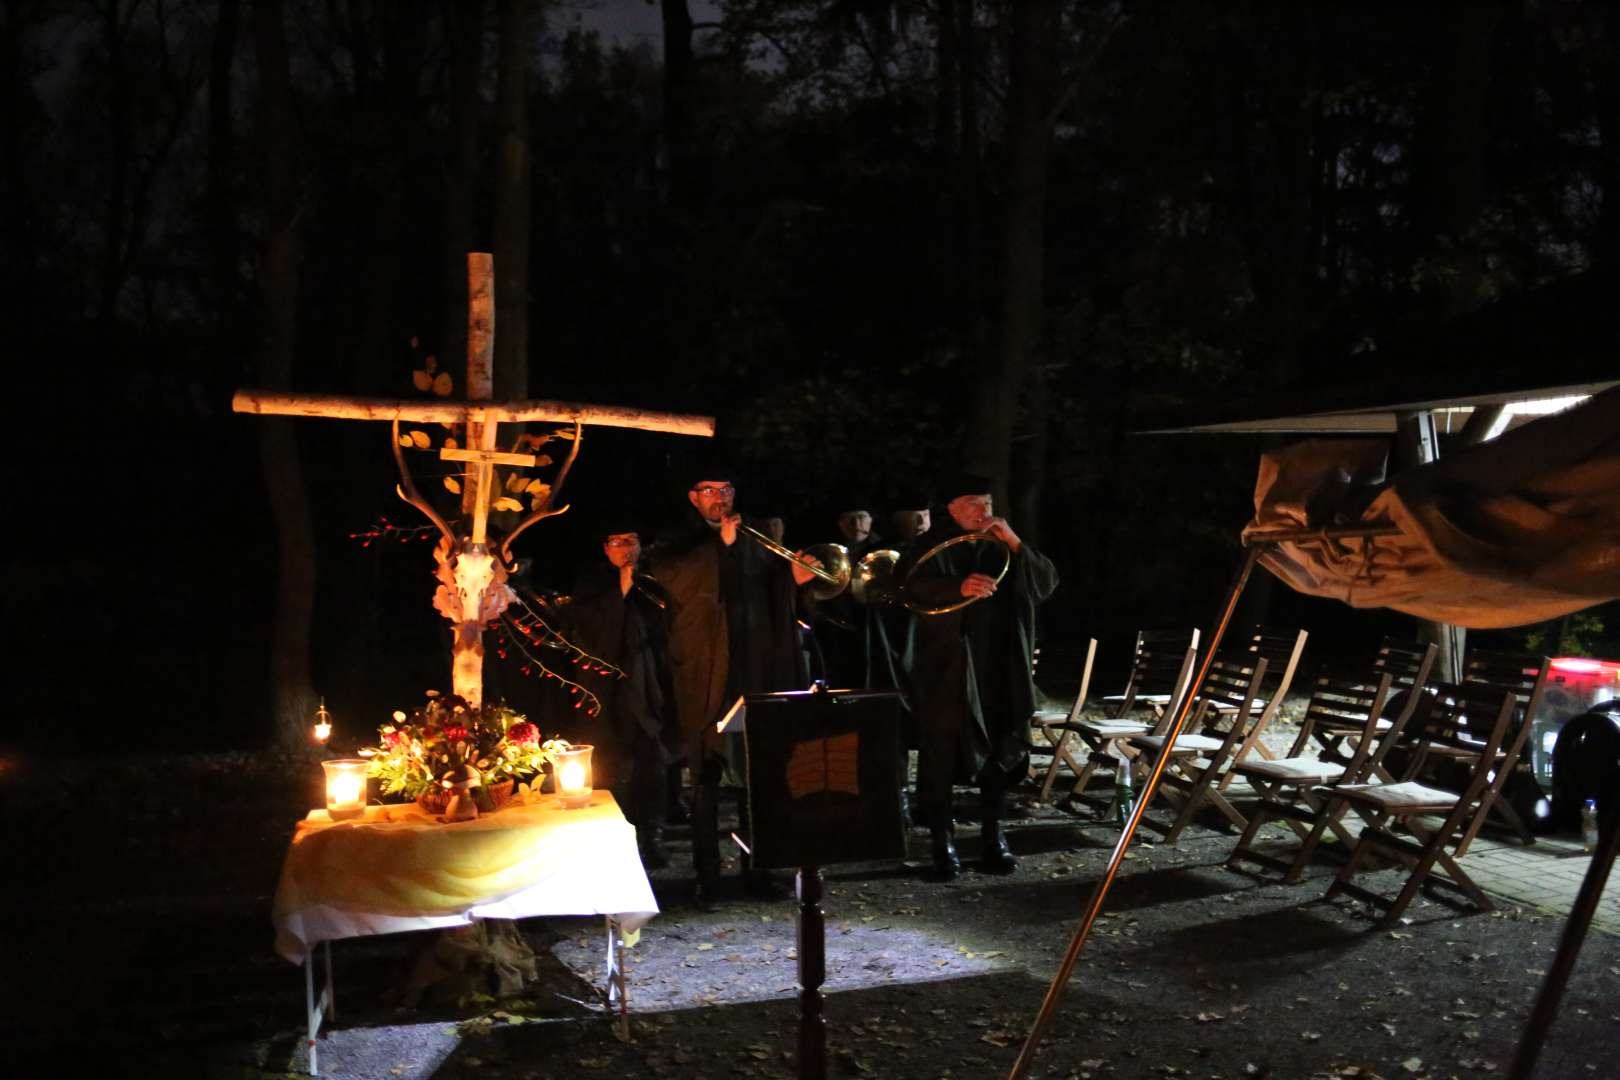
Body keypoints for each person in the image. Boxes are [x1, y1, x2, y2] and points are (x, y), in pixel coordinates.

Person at [645, 465, 818, 905]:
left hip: (753, 669)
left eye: (725, 489)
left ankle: (760, 869)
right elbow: (673, 580)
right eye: (709, 490)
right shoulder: (677, 539)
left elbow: (773, 589)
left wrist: (794, 579)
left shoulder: (755, 534)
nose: (718, 497)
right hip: (704, 673)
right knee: (705, 775)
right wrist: (720, 547)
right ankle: (707, 874)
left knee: (756, 773)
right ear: (693, 497)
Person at [901, 473, 1058, 879]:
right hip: (946, 668)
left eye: (987, 502)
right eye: (973, 503)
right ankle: (942, 843)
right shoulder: (929, 545)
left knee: (999, 750)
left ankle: (993, 837)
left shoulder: (1000, 544)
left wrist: (1015, 542)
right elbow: (908, 588)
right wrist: (957, 587)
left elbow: (1045, 583)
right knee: (940, 753)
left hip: (998, 665)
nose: (983, 510)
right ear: (952, 508)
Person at [566, 518, 675, 869]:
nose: (626, 548)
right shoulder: (592, 582)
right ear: (606, 548)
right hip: (607, 690)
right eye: (617, 542)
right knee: (612, 764)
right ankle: (613, 840)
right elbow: (585, 627)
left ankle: (652, 836)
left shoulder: (654, 578)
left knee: (651, 762)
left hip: (648, 685)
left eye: (631, 540)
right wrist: (620, 591)